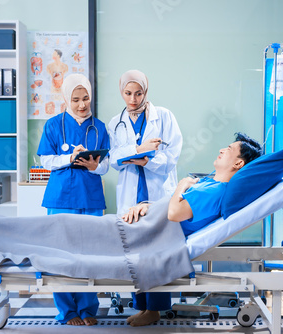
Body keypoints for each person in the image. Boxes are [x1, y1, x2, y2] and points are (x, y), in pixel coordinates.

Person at [122, 133, 262, 326]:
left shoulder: (214, 191)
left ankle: (152, 310)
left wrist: (182, 184)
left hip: (161, 232)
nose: (222, 149)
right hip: (150, 222)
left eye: (229, 149)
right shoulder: (208, 182)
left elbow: (174, 213)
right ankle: (148, 309)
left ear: (238, 163)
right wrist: (146, 206)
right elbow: (171, 204)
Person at [107, 69, 182, 327]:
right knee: (133, 252)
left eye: (138, 93)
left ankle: (157, 308)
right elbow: (114, 159)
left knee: (157, 252)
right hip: (130, 196)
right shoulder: (114, 122)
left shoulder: (164, 117)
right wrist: (137, 151)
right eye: (128, 93)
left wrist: (146, 160)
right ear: (121, 92)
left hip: (157, 194)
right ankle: (141, 306)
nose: (133, 98)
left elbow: (172, 156)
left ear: (146, 92)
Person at [37, 73, 110, 326]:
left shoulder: (99, 127)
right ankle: (67, 311)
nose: (82, 104)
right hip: (61, 198)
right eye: (76, 99)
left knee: (90, 255)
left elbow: (106, 166)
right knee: (61, 255)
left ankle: (88, 309)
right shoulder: (54, 125)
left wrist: (93, 166)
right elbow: (45, 161)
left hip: (90, 197)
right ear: (67, 99)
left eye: (86, 98)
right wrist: (69, 159)